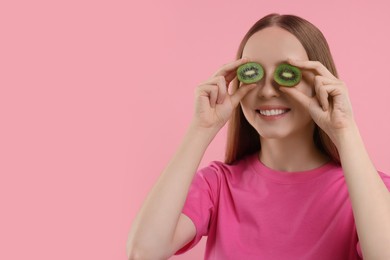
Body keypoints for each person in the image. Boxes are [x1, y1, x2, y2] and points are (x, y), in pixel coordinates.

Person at [126, 13, 390, 260]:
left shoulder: (368, 190)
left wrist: (345, 129)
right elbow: (144, 252)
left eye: (287, 73)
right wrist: (201, 128)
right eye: (255, 73)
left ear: (320, 81)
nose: (266, 91)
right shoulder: (217, 186)